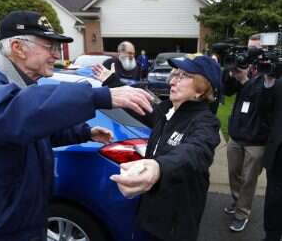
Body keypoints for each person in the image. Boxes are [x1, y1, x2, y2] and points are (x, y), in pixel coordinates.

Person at [0, 10, 153, 241]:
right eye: (49, 47)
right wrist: (98, 97)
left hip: (24, 216)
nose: (56, 55)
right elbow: (8, 116)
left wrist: (84, 132)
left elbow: (33, 129)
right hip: (1, 224)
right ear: (18, 47)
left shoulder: (22, 85)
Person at [94, 54, 221, 241]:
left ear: (200, 90)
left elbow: (197, 150)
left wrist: (158, 166)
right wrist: (112, 81)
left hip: (175, 224)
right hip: (151, 211)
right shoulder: (167, 110)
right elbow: (138, 104)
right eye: (175, 74)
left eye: (183, 76)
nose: (172, 81)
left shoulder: (205, 122)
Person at [222, 37, 269, 232]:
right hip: (237, 134)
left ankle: (242, 212)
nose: (249, 52)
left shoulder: (269, 71)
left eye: (254, 49)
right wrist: (231, 70)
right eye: (248, 48)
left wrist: (244, 79)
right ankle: (236, 199)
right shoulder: (244, 66)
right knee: (234, 172)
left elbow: (261, 96)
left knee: (249, 178)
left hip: (257, 138)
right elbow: (227, 90)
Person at [260, 73, 282, 241]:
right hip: (278, 153)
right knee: (274, 198)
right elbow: (263, 110)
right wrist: (268, 83)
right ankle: (271, 236)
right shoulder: (279, 84)